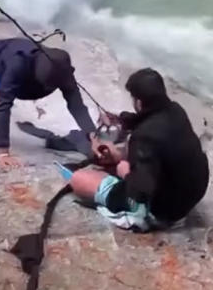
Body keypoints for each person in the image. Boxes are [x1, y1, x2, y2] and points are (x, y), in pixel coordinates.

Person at [68, 68, 208, 231]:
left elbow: (141, 191)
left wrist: (124, 172)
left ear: (139, 102)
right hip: (193, 191)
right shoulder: (176, 110)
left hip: (167, 210)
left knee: (79, 179)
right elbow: (150, 118)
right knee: (135, 149)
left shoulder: (144, 137)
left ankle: (147, 216)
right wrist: (120, 118)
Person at [0, 38, 95, 166]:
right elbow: (3, 104)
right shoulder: (18, 65)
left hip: (16, 67)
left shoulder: (62, 69)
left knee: (1, 99)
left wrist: (92, 136)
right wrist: (3, 152)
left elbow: (76, 105)